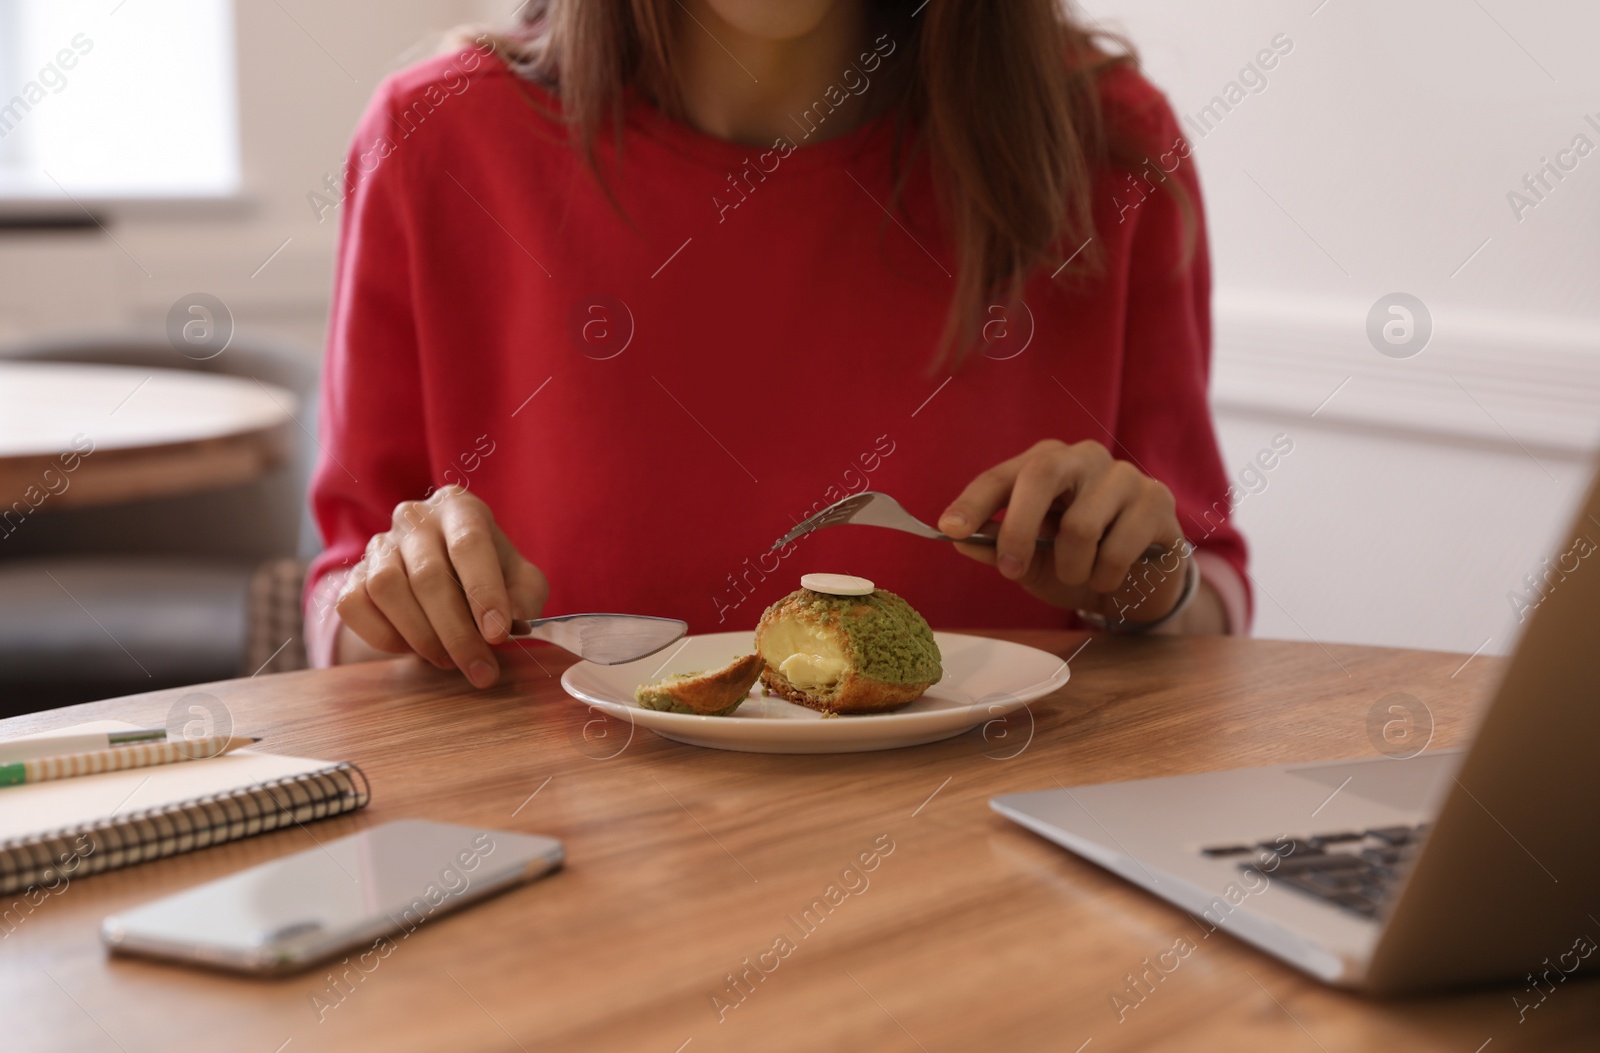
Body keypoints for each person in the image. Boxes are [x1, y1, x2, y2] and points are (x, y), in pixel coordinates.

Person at [303, 0, 1251, 688]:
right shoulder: (432, 142)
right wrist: (396, 597)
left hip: (998, 897)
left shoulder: (1111, 145)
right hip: (565, 898)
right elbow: (342, 615)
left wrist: (1149, 584)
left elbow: (1209, 602)